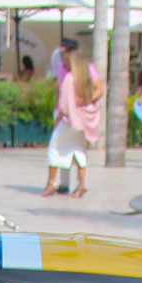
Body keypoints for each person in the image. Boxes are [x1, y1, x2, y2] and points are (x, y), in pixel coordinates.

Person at [45, 36, 100, 197]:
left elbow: (65, 100)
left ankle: (52, 183)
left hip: (69, 116)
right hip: (81, 117)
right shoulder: (82, 72)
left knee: (55, 148)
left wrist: (61, 113)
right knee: (78, 149)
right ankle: (81, 183)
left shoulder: (70, 76)